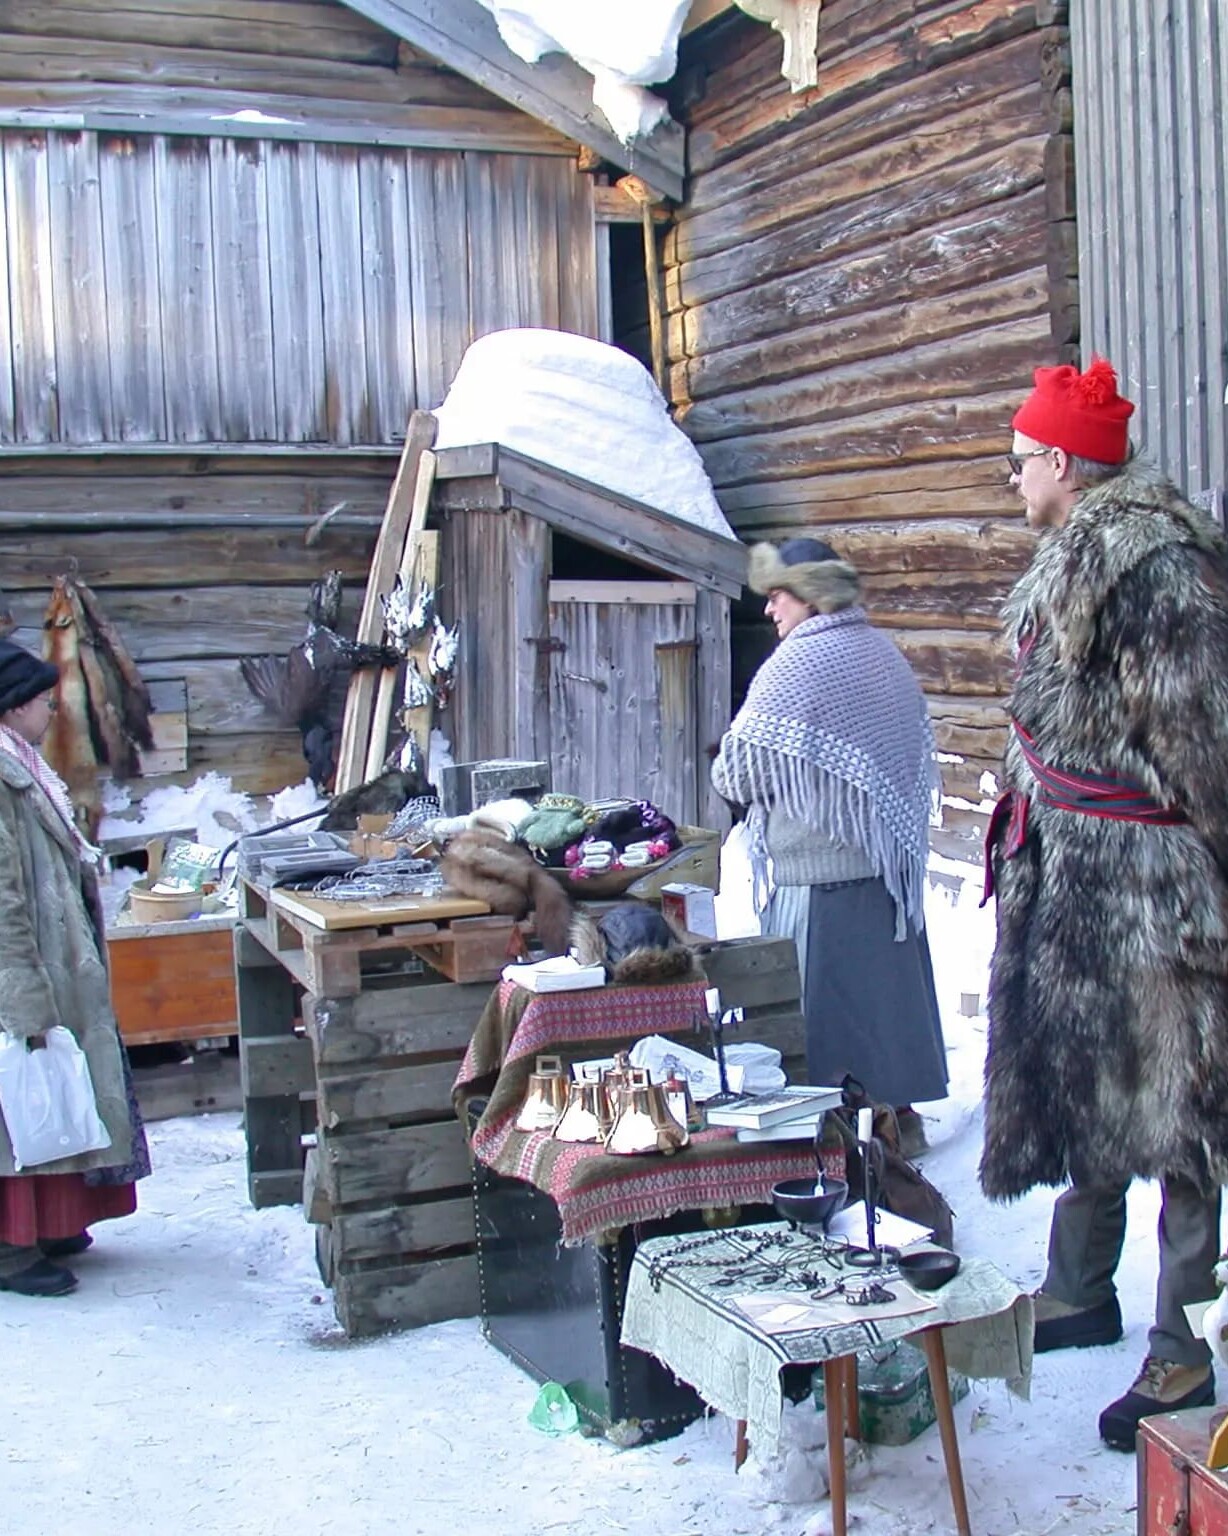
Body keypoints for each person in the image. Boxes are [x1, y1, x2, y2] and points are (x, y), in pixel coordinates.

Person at [981, 355, 1228, 1450]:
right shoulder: (1074, 559)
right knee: (1086, 1082)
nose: (1012, 480)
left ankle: (1181, 1354)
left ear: (1067, 469)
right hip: (1079, 882)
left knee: (1178, 1121)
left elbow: (1204, 739)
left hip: (1152, 898)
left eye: (1022, 461)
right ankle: (1080, 1290)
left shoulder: (1154, 571)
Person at [711, 538, 948, 1148]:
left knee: (819, 1035)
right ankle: (897, 1122)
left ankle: (832, 1141)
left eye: (778, 595)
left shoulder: (797, 664)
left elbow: (735, 772)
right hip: (884, 878)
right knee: (882, 1019)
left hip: (816, 883)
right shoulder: (881, 652)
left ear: (812, 593)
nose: (770, 610)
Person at [0, 637, 150, 1297]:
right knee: (17, 1098)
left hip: (54, 958)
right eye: (40, 702)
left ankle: (54, 1221)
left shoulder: (24, 766)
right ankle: (9, 1246)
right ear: (11, 708)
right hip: (22, 965)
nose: (50, 712)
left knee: (57, 1088)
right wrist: (21, 991)